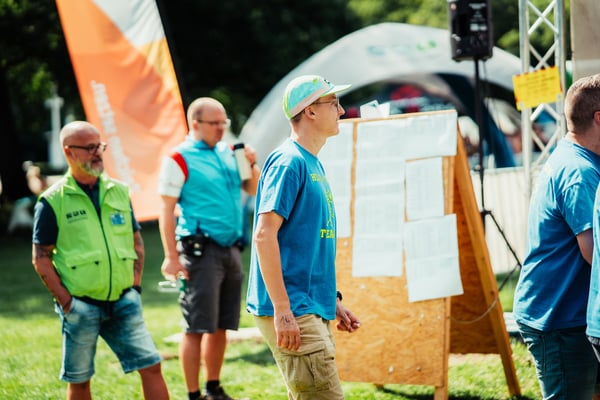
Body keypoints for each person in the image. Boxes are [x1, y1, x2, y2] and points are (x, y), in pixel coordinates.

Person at [31, 121, 169, 400]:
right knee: (80, 380)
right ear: (69, 152)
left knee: (151, 366)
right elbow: (41, 256)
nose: (97, 153)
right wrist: (68, 304)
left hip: (124, 301)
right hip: (81, 306)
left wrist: (134, 286)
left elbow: (136, 241)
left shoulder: (119, 191)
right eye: (89, 147)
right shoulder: (52, 200)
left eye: (100, 146)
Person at [246, 74, 361, 400]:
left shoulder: (311, 163)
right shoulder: (289, 162)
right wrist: (283, 310)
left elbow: (304, 243)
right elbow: (264, 236)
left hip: (308, 305)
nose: (341, 111)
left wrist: (331, 300)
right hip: (294, 308)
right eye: (334, 103)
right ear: (310, 111)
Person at [157, 97, 259, 400]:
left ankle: (213, 387)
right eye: (214, 123)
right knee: (196, 327)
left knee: (222, 325)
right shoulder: (179, 157)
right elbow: (166, 210)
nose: (220, 128)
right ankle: (193, 394)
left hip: (231, 249)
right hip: (200, 252)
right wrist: (171, 257)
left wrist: (251, 163)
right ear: (195, 124)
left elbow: (252, 188)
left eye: (223, 122)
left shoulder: (229, 153)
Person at [513, 74, 600, 399]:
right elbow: (594, 253)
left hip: (566, 314)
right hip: (559, 319)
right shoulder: (579, 171)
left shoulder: (574, 155)